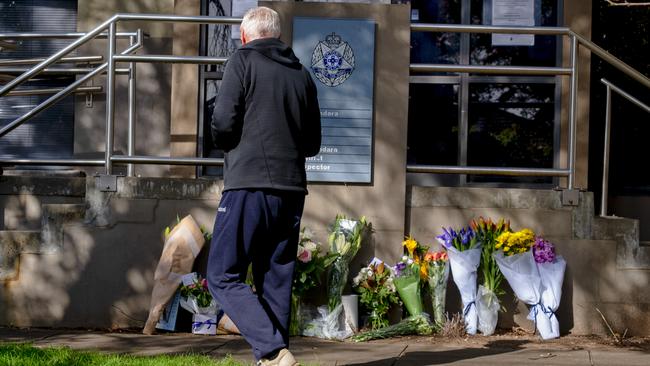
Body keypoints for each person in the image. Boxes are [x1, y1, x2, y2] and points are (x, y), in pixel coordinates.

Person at [206, 6, 321, 366]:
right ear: (278, 36)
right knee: (275, 279)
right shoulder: (302, 75)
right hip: (291, 190)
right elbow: (313, 143)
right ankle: (272, 359)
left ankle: (271, 351)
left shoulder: (241, 61)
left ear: (245, 36)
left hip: (248, 184)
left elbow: (223, 122)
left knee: (222, 274)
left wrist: (225, 142)